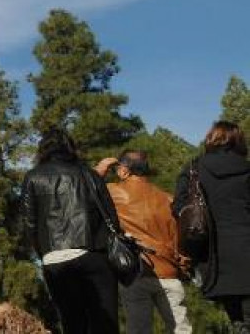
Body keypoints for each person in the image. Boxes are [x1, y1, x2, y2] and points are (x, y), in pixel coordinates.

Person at [21, 127, 120, 333]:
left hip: (55, 259)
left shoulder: (32, 177)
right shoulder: (89, 174)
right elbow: (111, 218)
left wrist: (44, 254)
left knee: (72, 323)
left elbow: (30, 225)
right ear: (70, 147)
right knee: (105, 323)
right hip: (93, 252)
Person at [93, 151, 190, 333]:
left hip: (135, 272)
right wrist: (182, 268)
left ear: (123, 171)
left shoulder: (113, 192)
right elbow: (180, 241)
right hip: (169, 273)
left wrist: (101, 168)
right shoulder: (168, 198)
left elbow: (84, 185)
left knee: (139, 330)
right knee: (181, 330)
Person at [174, 121, 250, 333]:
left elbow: (179, 207)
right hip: (246, 249)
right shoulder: (246, 169)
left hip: (213, 257)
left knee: (237, 318)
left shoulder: (193, 169)